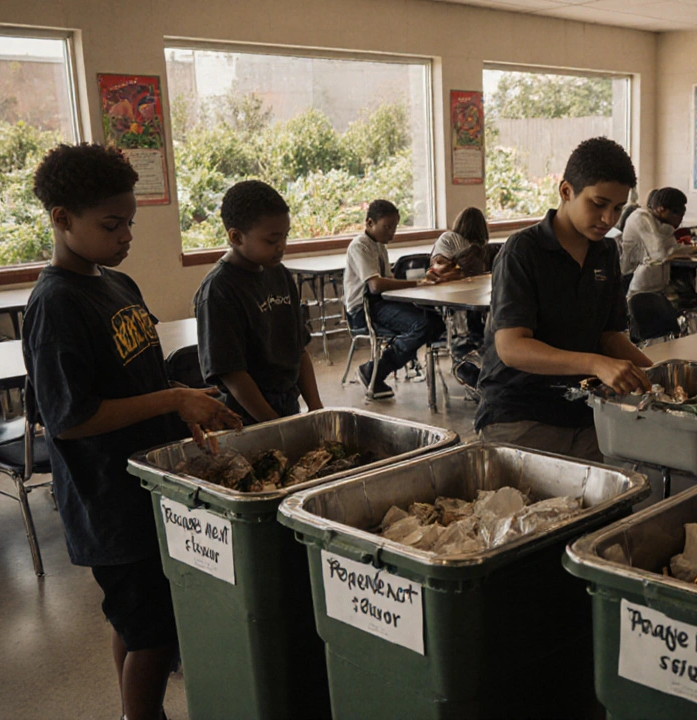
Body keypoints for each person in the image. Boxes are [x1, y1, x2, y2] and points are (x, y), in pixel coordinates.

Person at [23, 143, 241, 720]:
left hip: (148, 487)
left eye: (130, 223)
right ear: (61, 219)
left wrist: (185, 414)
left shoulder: (116, 285)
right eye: (111, 224)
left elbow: (140, 382)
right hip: (109, 503)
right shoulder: (56, 304)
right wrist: (173, 397)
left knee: (136, 620)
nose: (125, 237)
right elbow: (70, 419)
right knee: (156, 637)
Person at [476, 137, 652, 461]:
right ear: (566, 191)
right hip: (520, 414)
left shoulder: (606, 252)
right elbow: (511, 347)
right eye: (598, 204)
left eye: (617, 208)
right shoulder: (522, 251)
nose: (609, 219)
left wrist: (652, 373)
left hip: (582, 411)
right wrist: (596, 363)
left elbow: (609, 335)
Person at [193, 180, 322, 424]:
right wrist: (273, 424)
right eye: (271, 240)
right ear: (236, 237)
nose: (281, 246)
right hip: (247, 413)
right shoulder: (219, 290)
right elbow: (233, 375)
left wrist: (316, 409)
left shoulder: (280, 273)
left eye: (285, 236)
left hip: (286, 402)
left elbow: (299, 349)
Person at [344, 199, 445, 400]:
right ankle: (374, 371)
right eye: (387, 227)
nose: (392, 232)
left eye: (395, 227)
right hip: (363, 310)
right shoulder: (360, 246)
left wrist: (422, 282)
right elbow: (375, 285)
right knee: (422, 325)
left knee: (435, 321)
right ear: (369, 223)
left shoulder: (379, 244)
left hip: (381, 303)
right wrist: (417, 284)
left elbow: (388, 280)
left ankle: (378, 368)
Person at [428, 206, 489, 389]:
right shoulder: (450, 240)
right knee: (465, 321)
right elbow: (440, 271)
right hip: (449, 302)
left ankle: (475, 361)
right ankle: (465, 362)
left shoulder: (473, 248)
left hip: (464, 298)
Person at [625, 187, 696, 307]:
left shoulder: (660, 222)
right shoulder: (641, 218)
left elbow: (673, 247)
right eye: (677, 214)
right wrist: (671, 229)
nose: (679, 221)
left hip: (658, 287)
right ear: (661, 209)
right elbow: (662, 253)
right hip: (638, 288)